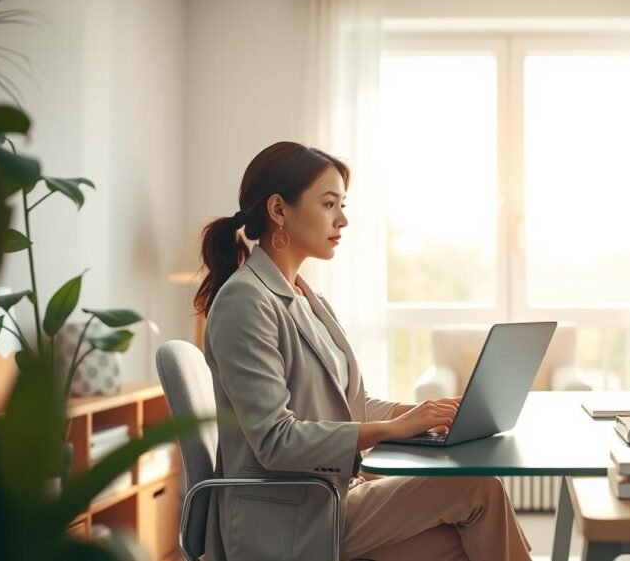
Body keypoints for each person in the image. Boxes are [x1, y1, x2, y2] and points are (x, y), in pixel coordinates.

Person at [193, 141, 532, 560]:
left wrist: (420, 413)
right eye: (329, 204)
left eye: (343, 204)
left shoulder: (303, 295)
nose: (343, 219)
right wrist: (395, 429)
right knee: (478, 487)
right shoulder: (245, 301)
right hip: (288, 521)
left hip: (330, 501)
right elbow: (275, 441)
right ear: (279, 210)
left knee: (471, 538)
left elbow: (348, 404)